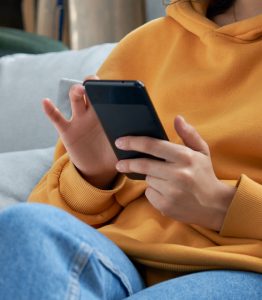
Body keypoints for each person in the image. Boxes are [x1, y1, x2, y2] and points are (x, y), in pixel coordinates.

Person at [1, 0, 262, 299]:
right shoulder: (147, 43)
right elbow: (50, 212)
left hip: (243, 268)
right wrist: (92, 176)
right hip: (117, 258)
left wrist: (223, 205)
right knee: (22, 227)